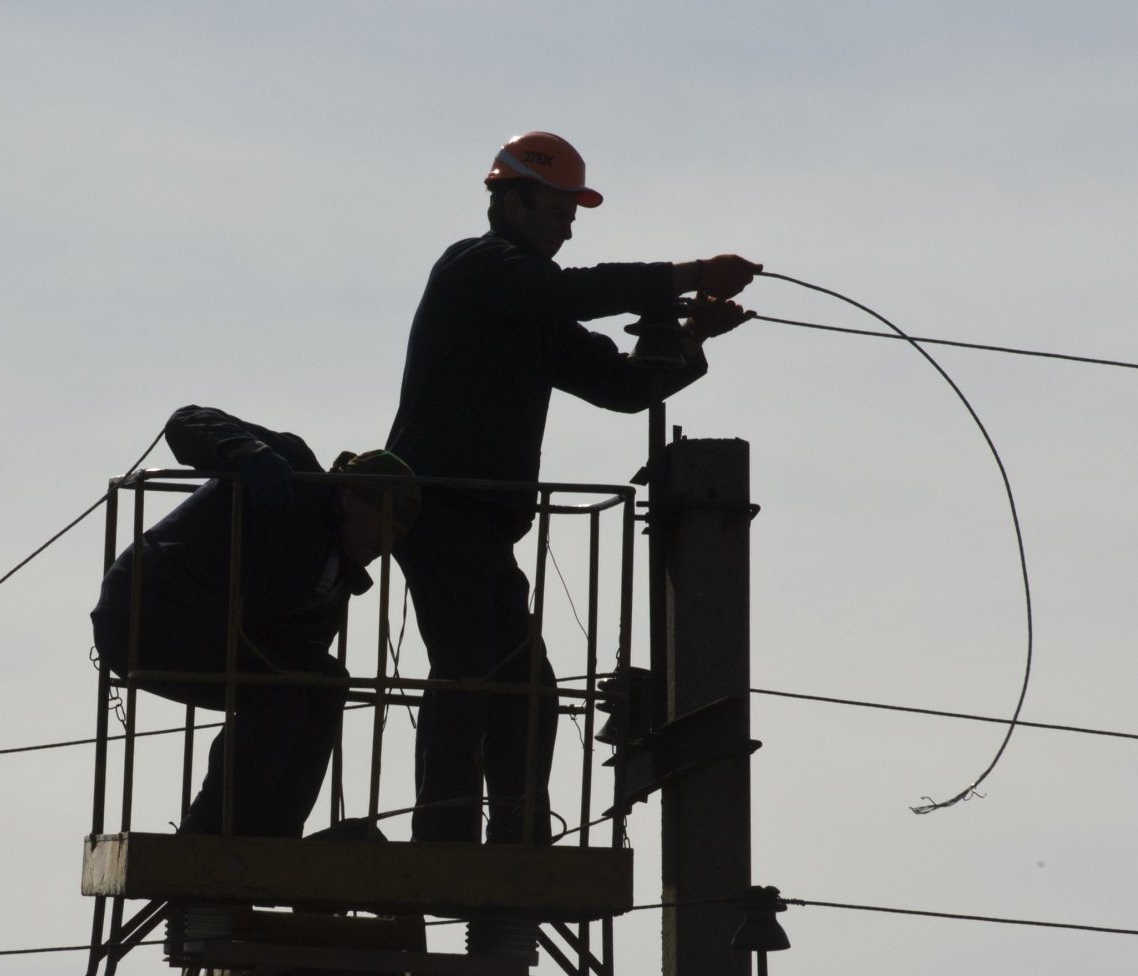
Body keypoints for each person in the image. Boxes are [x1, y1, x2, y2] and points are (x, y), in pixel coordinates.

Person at [385, 131, 760, 843]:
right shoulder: (478, 267)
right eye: (559, 206)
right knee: (468, 669)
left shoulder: (530, 311)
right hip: (439, 508)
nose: (571, 220)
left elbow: (620, 386)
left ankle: (517, 830)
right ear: (512, 200)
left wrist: (691, 337)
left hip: (484, 523)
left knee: (528, 689)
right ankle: (445, 836)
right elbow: (570, 293)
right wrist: (686, 274)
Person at [91, 405, 420, 838]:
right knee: (283, 688)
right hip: (150, 607)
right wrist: (249, 453)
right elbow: (186, 421)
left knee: (323, 682)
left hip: (212, 630)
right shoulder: (299, 471)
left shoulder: (332, 584)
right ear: (351, 498)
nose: (387, 544)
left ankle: (277, 832)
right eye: (387, 526)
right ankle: (210, 828)